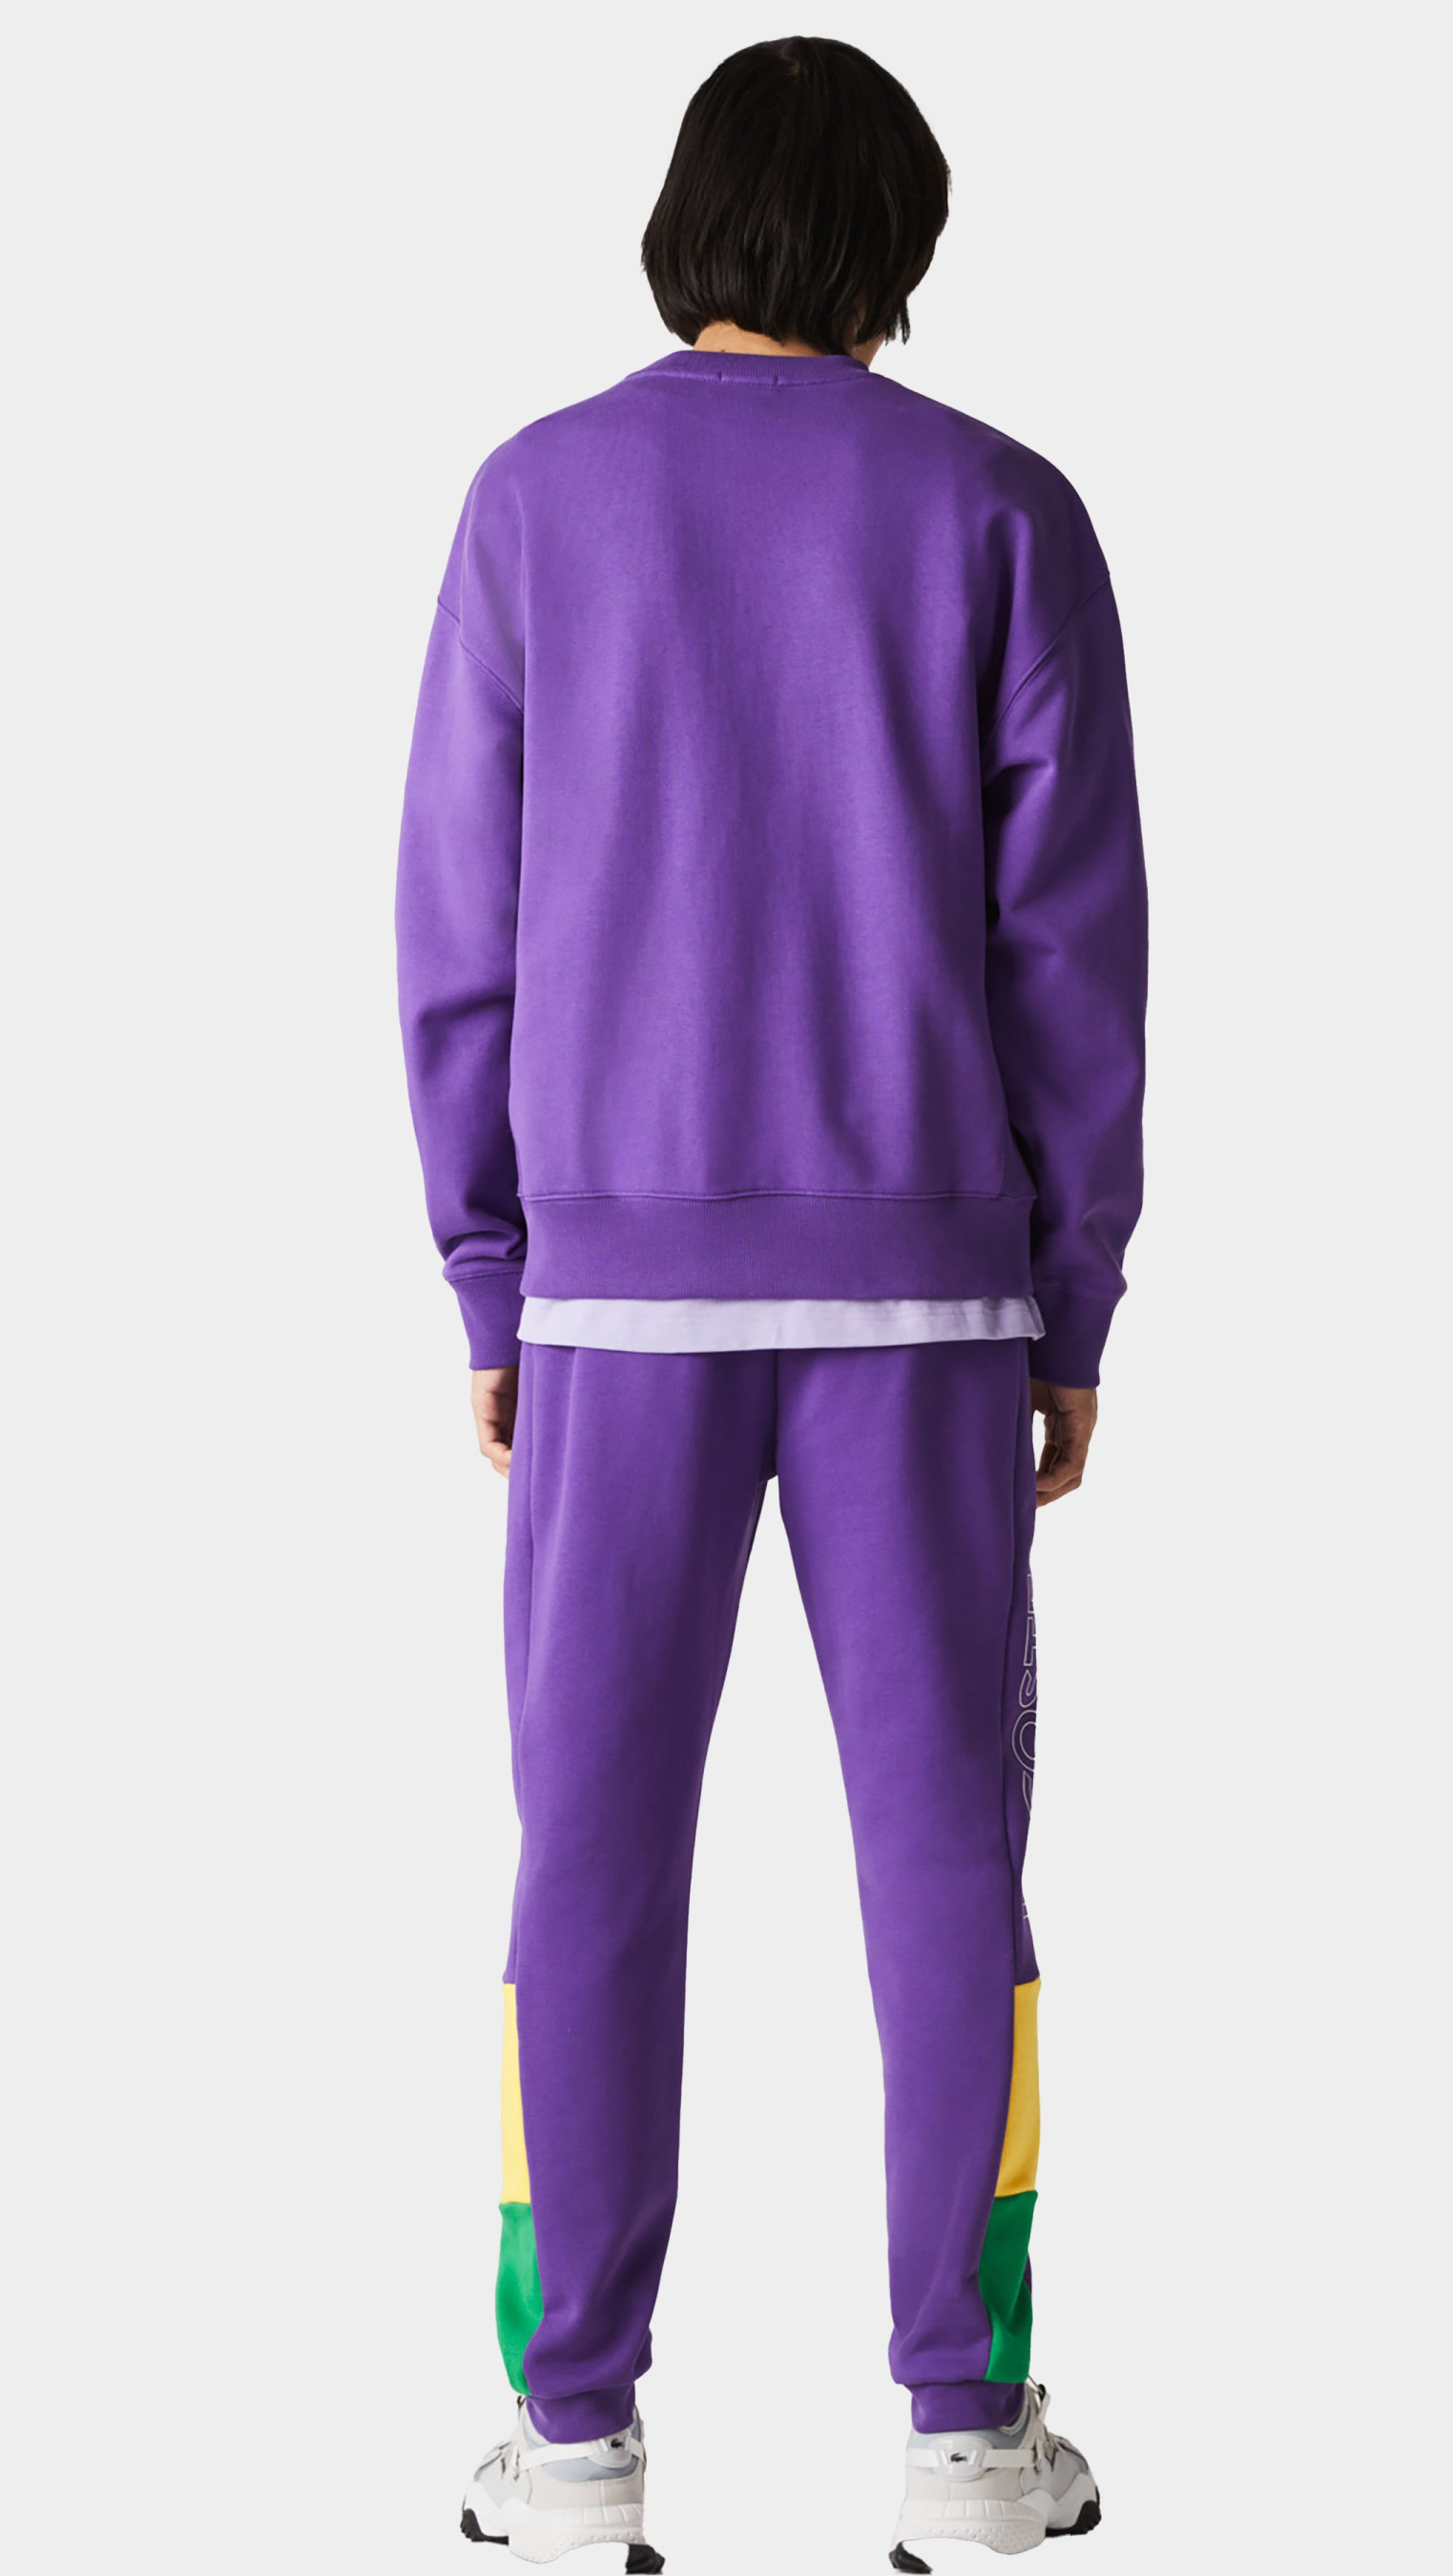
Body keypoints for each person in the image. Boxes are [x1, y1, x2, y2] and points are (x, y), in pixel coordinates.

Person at [397, 34, 1146, 2566]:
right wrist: (1071, 1301)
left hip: (612, 1312)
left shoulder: (532, 504)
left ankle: (571, 2444)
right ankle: (968, 2439)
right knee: (947, 1867)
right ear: (890, 244)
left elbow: (459, 925)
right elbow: (1075, 960)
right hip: (927, 1313)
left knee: (585, 1865)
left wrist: (488, 1267)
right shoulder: (1001, 512)